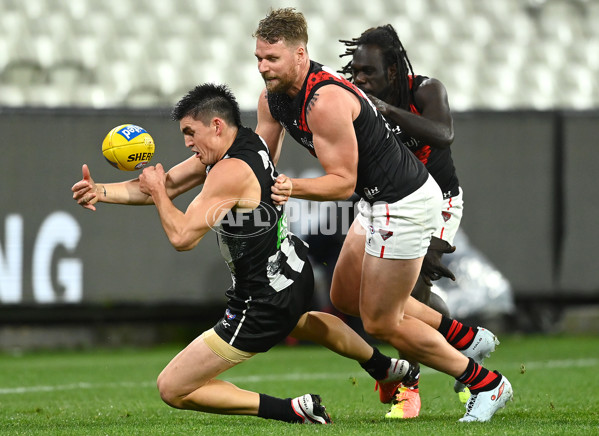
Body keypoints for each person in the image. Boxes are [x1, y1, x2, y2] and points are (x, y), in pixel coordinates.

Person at [71, 84, 414, 424]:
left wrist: (159, 193)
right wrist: (100, 191)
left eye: (191, 133)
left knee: (172, 387)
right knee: (305, 323)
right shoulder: (249, 143)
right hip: (293, 273)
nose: (188, 143)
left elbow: (182, 236)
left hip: (261, 303)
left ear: (216, 126)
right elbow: (172, 183)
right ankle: (384, 367)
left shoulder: (229, 172)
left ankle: (294, 411)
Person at [253, 8, 512, 422]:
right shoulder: (274, 99)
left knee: (382, 320)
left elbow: (340, 183)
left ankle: (487, 384)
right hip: (376, 202)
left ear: (300, 54)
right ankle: (464, 337)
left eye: (273, 59)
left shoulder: (325, 100)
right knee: (344, 298)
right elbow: (259, 160)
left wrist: (290, 187)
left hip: (405, 203)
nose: (264, 68)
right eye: (259, 59)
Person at [338, 24, 468, 418]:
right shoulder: (354, 101)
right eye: (355, 71)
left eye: (368, 72)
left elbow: (443, 134)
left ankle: (409, 386)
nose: (359, 79)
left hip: (436, 203)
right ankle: (459, 338)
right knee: (355, 297)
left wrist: (389, 111)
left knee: (403, 301)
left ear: (392, 71)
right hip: (384, 203)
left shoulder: (425, 90)